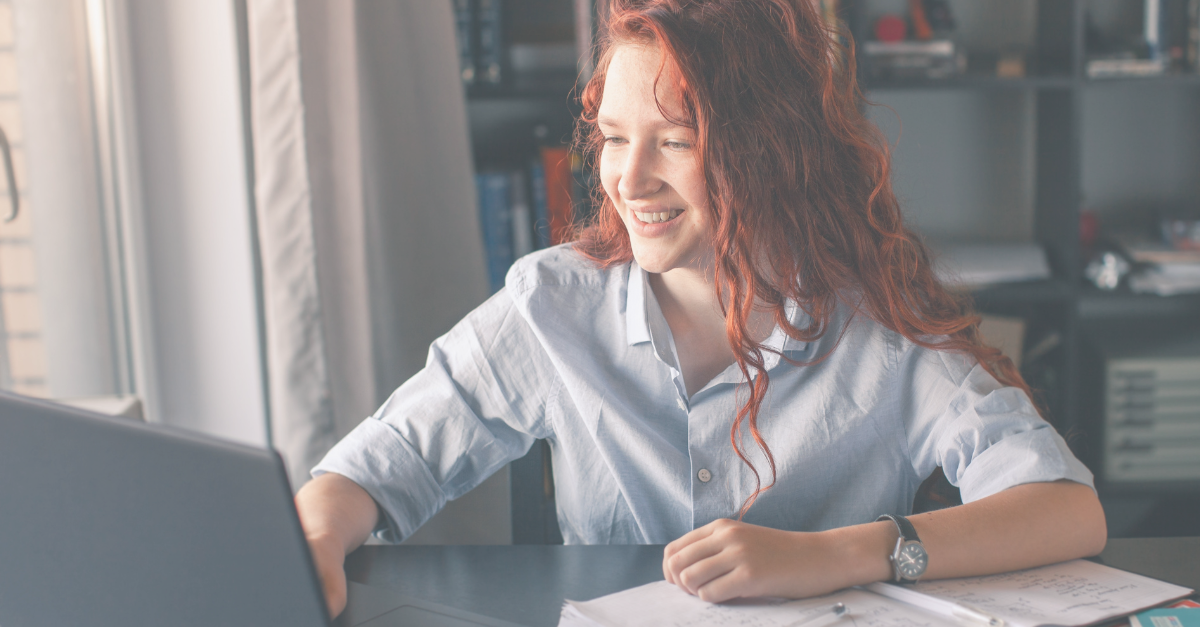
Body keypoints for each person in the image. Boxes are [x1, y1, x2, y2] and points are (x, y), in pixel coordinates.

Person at [295, 0, 1107, 618]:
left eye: (675, 141)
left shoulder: (879, 325)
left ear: (768, 149)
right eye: (614, 137)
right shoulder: (550, 304)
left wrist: (834, 555)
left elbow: (1067, 509)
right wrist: (318, 536)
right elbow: (372, 467)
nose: (629, 177)